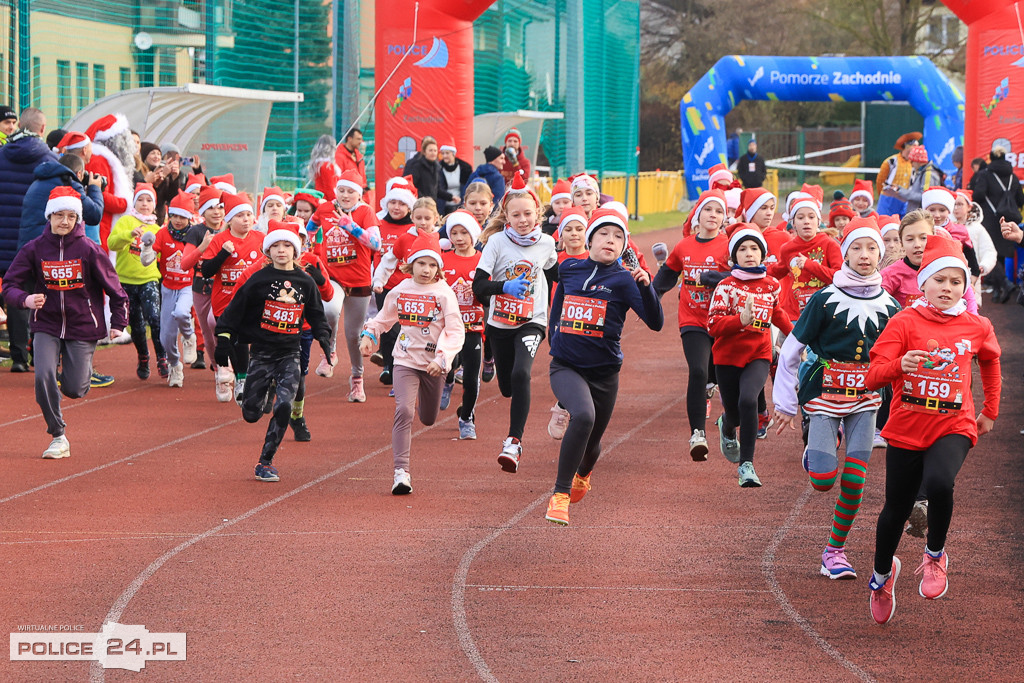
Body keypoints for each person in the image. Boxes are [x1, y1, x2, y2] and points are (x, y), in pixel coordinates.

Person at [865, 235, 1000, 625]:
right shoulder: (904, 321)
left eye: (956, 282)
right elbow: (873, 376)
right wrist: (899, 365)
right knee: (895, 510)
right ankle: (881, 578)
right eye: (939, 280)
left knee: (941, 483)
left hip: (953, 424)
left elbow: (990, 362)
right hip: (907, 428)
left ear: (965, 287)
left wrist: (989, 410)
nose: (947, 288)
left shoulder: (977, 325)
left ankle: (935, 555)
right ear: (922, 282)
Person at [773, 219, 900, 577]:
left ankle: (834, 551)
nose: (864, 255)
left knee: (856, 481)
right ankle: (817, 451)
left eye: (872, 248)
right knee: (823, 480)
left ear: (881, 253)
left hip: (866, 401)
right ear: (844, 253)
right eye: (856, 248)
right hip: (824, 398)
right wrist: (784, 403)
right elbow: (791, 350)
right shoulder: (825, 299)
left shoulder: (891, 307)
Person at [544, 208, 663, 525]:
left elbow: (656, 323)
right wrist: (554, 339)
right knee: (583, 415)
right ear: (590, 238)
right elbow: (556, 309)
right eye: (604, 234)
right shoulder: (569, 268)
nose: (610, 240)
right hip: (566, 366)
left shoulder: (625, 281)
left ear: (624, 246)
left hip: (605, 373)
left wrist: (646, 287)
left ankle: (583, 473)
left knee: (592, 443)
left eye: (618, 236)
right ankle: (559, 496)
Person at [2, 186, 129, 458]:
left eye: (71, 216)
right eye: (59, 215)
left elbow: (116, 289)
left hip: (82, 325)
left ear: (78, 219)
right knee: (43, 374)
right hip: (45, 323)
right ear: (49, 217)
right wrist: (25, 300)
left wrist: (119, 322)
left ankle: (74, 376)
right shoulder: (35, 249)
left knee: (75, 388)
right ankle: (58, 435)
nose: (64, 222)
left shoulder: (89, 249)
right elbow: (9, 285)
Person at [215, 221, 331, 483]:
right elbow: (234, 311)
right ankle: (261, 394)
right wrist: (223, 341)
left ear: (296, 250)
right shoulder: (259, 280)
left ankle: (265, 462)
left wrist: (324, 340)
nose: (281, 250)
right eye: (276, 245)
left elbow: (317, 315)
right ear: (268, 251)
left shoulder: (305, 282)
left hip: (289, 353)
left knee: (285, 405)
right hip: (262, 353)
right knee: (251, 414)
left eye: (287, 245)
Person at [359, 232, 464, 493]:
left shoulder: (444, 294)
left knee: (428, 418)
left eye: (432, 265)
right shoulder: (401, 289)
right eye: (421, 263)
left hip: (434, 365)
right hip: (404, 360)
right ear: (410, 264)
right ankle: (401, 473)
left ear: (438, 268)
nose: (426, 270)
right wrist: (369, 334)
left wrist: (442, 359)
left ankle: (427, 401)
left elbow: (455, 331)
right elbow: (384, 318)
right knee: (404, 411)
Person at [472, 174, 558, 472]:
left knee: (522, 374)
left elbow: (555, 271)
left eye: (528, 214)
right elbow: (479, 287)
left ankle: (514, 442)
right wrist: (504, 286)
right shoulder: (496, 242)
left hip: (532, 321)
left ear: (538, 214)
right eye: (516, 214)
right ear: (505, 215)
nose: (523, 220)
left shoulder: (547, 242)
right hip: (499, 324)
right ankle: (494, 364)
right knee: (507, 387)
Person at [707, 223, 792, 487]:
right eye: (742, 249)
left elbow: (778, 314)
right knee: (733, 413)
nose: (749, 253)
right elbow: (713, 325)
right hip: (727, 357)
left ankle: (747, 465)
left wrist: (798, 338)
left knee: (749, 401)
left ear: (763, 253)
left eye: (754, 248)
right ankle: (727, 426)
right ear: (734, 257)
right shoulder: (725, 286)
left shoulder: (771, 285)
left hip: (759, 354)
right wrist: (739, 320)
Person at [652, 189, 730, 460]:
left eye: (719, 211)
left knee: (723, 374)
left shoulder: (730, 245)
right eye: (708, 209)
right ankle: (697, 433)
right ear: (698, 215)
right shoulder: (684, 246)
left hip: (723, 320)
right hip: (693, 320)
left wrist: (719, 277)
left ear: (724, 218)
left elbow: (744, 275)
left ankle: (727, 423)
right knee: (697, 370)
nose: (713, 215)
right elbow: (665, 277)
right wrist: (647, 297)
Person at [308, 169, 382, 401]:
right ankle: (329, 351)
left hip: (360, 279)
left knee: (353, 335)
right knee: (329, 310)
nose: (345, 195)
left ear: (359, 194)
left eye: (351, 191)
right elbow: (310, 228)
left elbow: (376, 244)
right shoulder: (324, 208)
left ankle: (357, 379)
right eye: (341, 190)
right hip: (333, 276)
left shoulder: (365, 212)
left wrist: (350, 226)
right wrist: (308, 244)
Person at [0, 107, 57, 373]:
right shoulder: (48, 158)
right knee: (43, 293)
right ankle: (40, 352)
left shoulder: (1, 155)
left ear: (18, 126)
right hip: (37, 238)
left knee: (14, 293)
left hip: (4, 237)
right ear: (42, 128)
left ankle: (19, 356)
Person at [201, 192, 267, 403]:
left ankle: (241, 379)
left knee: (242, 342)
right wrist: (222, 254)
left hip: (252, 303)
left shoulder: (261, 240)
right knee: (228, 342)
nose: (246, 219)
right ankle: (227, 373)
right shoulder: (220, 240)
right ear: (229, 219)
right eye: (240, 215)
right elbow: (206, 271)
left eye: (249, 214)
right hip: (224, 301)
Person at [372, 196, 439, 387]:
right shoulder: (405, 239)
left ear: (436, 218)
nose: (423, 222)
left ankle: (431, 369)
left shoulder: (440, 239)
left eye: (427, 218)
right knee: (393, 329)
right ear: (412, 217)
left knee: (423, 332)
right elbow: (388, 261)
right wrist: (379, 280)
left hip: (429, 295)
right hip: (401, 290)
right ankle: (392, 369)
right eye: (419, 218)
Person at [108, 183, 167, 379]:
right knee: (137, 325)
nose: (144, 204)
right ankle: (143, 356)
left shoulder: (158, 229)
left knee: (155, 318)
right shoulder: (126, 221)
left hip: (149, 279)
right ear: (135, 202)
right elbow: (111, 243)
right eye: (140, 200)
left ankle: (162, 357)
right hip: (126, 281)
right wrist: (129, 235)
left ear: (154, 204)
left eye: (149, 200)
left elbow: (162, 258)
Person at [437, 211, 485, 436]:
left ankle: (466, 418)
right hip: (447, 327)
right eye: (453, 233)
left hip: (473, 327)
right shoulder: (443, 259)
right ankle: (447, 380)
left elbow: (489, 293)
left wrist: (475, 292)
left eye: (464, 232)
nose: (458, 237)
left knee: (471, 376)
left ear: (473, 234)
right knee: (448, 362)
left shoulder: (482, 261)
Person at [149, 191, 199, 386]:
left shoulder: (195, 234)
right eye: (175, 216)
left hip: (188, 286)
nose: (178, 220)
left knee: (181, 313)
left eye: (183, 217)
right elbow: (151, 253)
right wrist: (147, 251)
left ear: (190, 217)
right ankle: (174, 365)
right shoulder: (162, 233)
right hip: (168, 287)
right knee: (166, 337)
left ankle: (188, 336)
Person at [768, 196, 842, 323]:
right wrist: (754, 271)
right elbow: (776, 271)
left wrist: (809, 265)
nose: (806, 221)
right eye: (801, 218)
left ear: (818, 221)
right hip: (795, 315)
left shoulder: (829, 244)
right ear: (793, 223)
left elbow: (839, 277)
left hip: (824, 314)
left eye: (811, 217)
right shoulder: (787, 248)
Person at [181, 186, 225, 373]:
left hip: (227, 288)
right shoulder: (196, 232)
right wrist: (203, 246)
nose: (216, 212)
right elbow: (184, 264)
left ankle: (231, 366)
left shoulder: (231, 228)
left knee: (221, 326)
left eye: (220, 207)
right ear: (202, 211)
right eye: (211, 208)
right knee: (208, 334)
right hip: (202, 288)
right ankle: (218, 368)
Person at [972, 146, 1024, 303]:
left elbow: (978, 195)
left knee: (990, 252)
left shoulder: (985, 175)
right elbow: (1020, 200)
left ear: (991, 158)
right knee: (999, 255)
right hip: (1008, 220)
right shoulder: (1013, 177)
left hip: (990, 219)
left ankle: (1004, 284)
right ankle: (998, 289)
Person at [876, 132, 922, 217]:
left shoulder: (914, 164)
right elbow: (880, 181)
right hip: (888, 200)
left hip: (904, 200)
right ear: (907, 146)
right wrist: (884, 195)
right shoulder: (891, 161)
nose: (917, 149)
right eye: (915, 146)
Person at [896, 145, 943, 214]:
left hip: (920, 216)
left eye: (912, 161)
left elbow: (925, 197)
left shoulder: (928, 174)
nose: (911, 164)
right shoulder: (923, 172)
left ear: (918, 161)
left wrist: (902, 192)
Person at [404, 136, 442, 204]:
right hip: (418, 203)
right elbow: (410, 185)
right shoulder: (416, 165)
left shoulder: (437, 167)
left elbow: (437, 190)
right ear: (424, 152)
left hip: (431, 204)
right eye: (430, 150)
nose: (433, 153)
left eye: (435, 151)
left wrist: (450, 197)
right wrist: (423, 199)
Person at [437, 142, 473, 214]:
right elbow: (438, 189)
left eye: (447, 153)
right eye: (443, 153)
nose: (444, 156)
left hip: (460, 204)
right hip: (443, 206)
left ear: (453, 154)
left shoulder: (465, 168)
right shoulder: (438, 168)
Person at [334, 128, 368, 204]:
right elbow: (337, 178)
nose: (361, 142)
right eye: (358, 139)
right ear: (349, 139)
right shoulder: (339, 156)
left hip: (360, 195)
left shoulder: (359, 156)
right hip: (348, 197)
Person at [309, 134, 340, 202]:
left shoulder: (318, 164)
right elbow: (330, 188)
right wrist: (336, 202)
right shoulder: (326, 166)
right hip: (327, 200)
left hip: (321, 197)